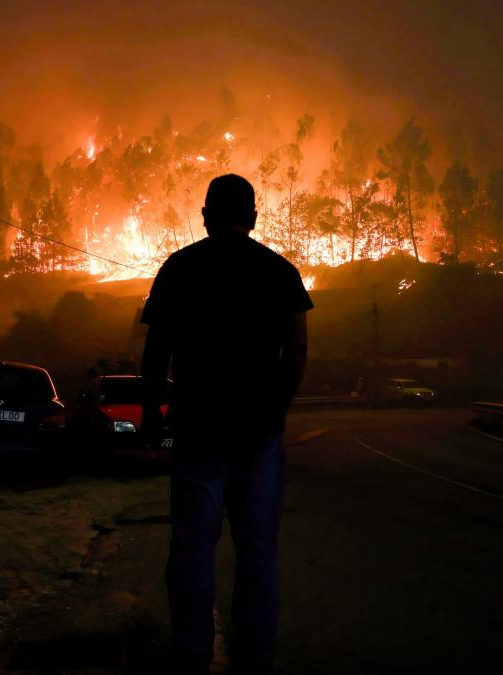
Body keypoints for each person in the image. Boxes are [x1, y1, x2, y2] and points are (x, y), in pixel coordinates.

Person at [140, 174, 312, 674]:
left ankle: (192, 653)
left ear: (206, 216)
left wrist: (154, 410)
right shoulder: (280, 272)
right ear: (254, 218)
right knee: (258, 550)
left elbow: (157, 350)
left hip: (198, 426)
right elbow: (297, 348)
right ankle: (254, 658)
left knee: (194, 546)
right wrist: (279, 404)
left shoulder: (180, 268)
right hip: (259, 430)